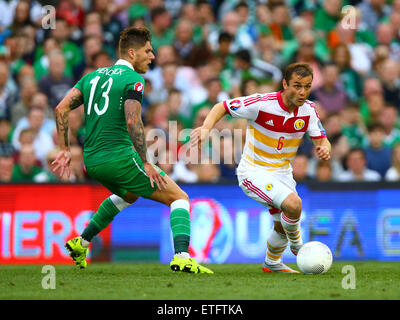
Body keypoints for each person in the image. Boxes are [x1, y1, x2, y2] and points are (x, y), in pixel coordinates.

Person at [51, 26, 213, 274]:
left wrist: (64, 149)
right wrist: (146, 162)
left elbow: (61, 108)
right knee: (179, 198)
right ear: (131, 52)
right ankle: (182, 256)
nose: (153, 56)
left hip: (91, 161)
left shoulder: (92, 77)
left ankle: (80, 243)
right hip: (119, 158)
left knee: (128, 194)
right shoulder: (132, 80)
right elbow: (132, 120)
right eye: (147, 51)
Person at [191, 62, 331, 273]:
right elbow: (222, 106)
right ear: (284, 84)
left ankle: (272, 263)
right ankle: (298, 246)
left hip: (283, 174)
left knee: (281, 225)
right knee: (293, 205)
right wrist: (205, 128)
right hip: (253, 172)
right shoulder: (261, 104)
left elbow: (322, 140)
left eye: (307, 87)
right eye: (297, 86)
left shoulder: (309, 110)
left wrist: (324, 149)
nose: (302, 92)